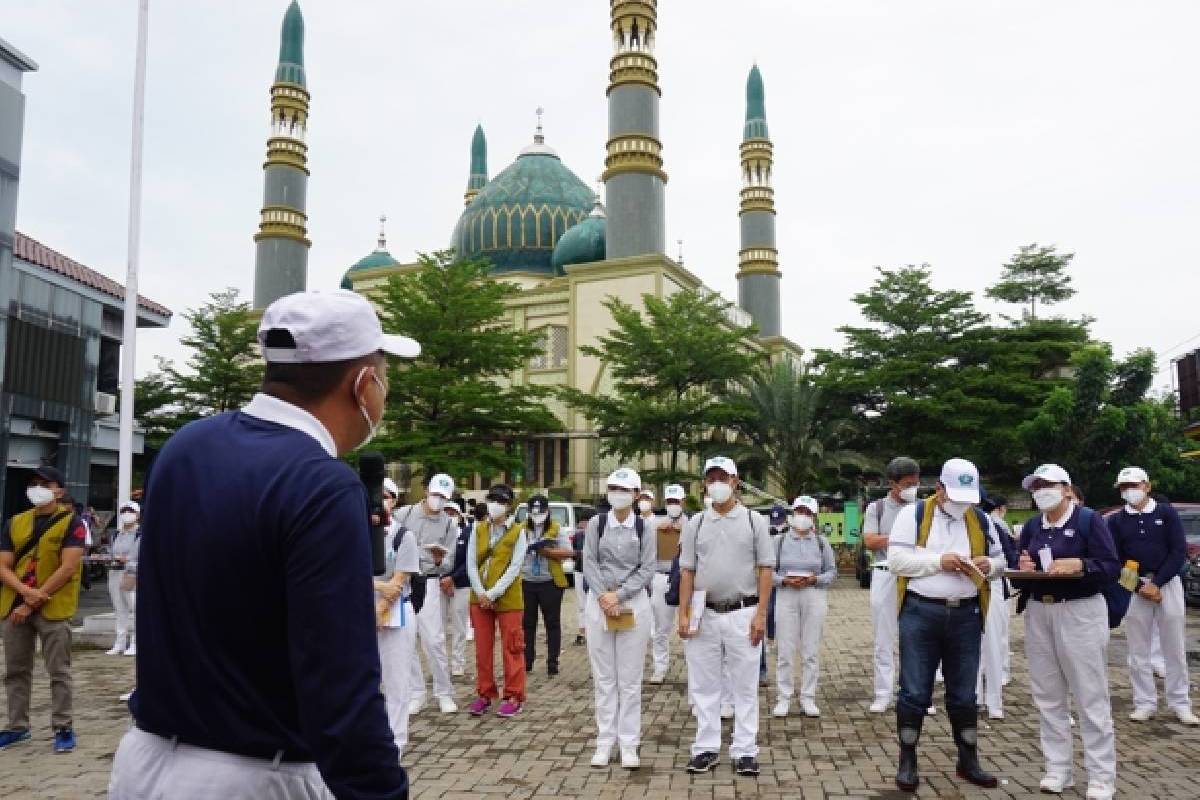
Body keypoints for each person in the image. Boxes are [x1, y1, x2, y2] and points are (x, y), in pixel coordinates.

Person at [107, 289, 414, 799]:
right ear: (363, 383)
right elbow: (339, 685)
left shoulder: (187, 445)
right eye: (384, 375)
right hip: (252, 775)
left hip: (146, 762)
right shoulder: (321, 483)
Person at [887, 458, 1005, 793]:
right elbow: (896, 561)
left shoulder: (980, 519)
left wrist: (988, 564)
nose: (961, 504)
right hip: (921, 613)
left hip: (966, 615)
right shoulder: (913, 515)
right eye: (955, 496)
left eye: (967, 498)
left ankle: (968, 759)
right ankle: (907, 759)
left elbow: (1001, 560)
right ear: (939, 489)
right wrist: (940, 561)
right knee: (914, 691)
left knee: (965, 693)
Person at [1011, 463, 1120, 800]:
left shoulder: (1088, 520)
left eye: (1048, 484)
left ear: (1067, 489)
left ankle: (1101, 775)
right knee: (1048, 695)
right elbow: (1020, 570)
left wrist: (1082, 564)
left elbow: (1111, 567)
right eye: (1036, 486)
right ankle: (1058, 769)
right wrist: (1022, 568)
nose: (1041, 490)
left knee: (1090, 695)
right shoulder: (1032, 526)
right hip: (1040, 611)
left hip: (1080, 611)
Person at [677, 456, 774, 777]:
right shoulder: (696, 523)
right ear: (705, 482)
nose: (717, 483)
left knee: (744, 686)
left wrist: (761, 613)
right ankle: (705, 747)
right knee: (704, 686)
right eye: (711, 477)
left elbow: (765, 570)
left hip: (742, 612)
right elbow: (687, 571)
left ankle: (745, 750)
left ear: (735, 481)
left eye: (723, 477)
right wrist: (683, 613)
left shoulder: (753, 521)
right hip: (704, 612)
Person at [0, 466, 87, 753]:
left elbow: (68, 566)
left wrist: (33, 599)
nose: (37, 488)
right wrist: (25, 593)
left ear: (59, 490)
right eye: (33, 484)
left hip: (53, 606)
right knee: (15, 670)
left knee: (59, 670)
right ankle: (16, 726)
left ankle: (63, 727)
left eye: (44, 483)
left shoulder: (73, 522)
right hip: (14, 605)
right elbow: (4, 565)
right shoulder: (15, 522)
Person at [1108, 466, 1198, 725]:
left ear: (1147, 486)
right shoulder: (1116, 520)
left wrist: (1157, 583)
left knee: (1174, 647)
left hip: (1167, 582)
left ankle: (1180, 702)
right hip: (1133, 584)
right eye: (1124, 488)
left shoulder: (1165, 513)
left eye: (1134, 486)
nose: (1129, 492)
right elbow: (1115, 558)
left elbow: (1178, 550)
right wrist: (1139, 586)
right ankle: (1144, 701)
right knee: (1138, 648)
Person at [582, 469, 656, 769]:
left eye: (625, 489)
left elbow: (647, 567)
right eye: (613, 487)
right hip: (599, 605)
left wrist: (620, 595)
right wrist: (604, 596)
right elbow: (589, 561)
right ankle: (604, 741)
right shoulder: (597, 524)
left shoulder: (644, 528)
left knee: (629, 680)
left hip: (633, 606)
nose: (618, 493)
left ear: (637, 494)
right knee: (604, 679)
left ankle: (629, 743)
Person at [398, 473, 460, 715]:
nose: (438, 500)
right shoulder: (405, 515)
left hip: (430, 582)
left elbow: (450, 561)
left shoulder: (449, 524)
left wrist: (438, 561)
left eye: (443, 497)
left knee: (434, 640)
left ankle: (444, 692)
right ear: (426, 491)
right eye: (435, 494)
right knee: (406, 639)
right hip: (404, 581)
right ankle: (417, 692)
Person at [863, 456, 921, 714]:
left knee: (917, 637)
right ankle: (883, 694)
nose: (912, 488)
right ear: (892, 484)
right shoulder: (876, 508)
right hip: (885, 573)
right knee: (884, 638)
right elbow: (871, 541)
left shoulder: (922, 507)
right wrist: (899, 539)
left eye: (915, 483)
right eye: (907, 484)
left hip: (915, 574)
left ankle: (916, 693)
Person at [465, 484, 527, 718]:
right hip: (479, 595)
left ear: (509, 505)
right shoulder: (478, 528)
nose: (495, 505)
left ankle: (513, 695)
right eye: (491, 500)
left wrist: (492, 594)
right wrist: (481, 592)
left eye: (500, 501)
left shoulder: (518, 531)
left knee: (512, 646)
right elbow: (471, 562)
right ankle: (484, 692)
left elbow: (514, 567)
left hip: (507, 597)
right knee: (482, 648)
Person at [771, 495, 835, 718]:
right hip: (786, 594)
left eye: (807, 513)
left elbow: (831, 571)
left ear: (814, 517)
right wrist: (783, 581)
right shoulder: (778, 542)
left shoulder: (821, 542)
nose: (802, 517)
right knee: (785, 650)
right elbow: (767, 571)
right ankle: (784, 697)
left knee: (810, 650)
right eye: (799, 511)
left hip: (813, 595)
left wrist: (815, 579)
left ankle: (808, 697)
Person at [375, 478, 419, 760]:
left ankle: (395, 741)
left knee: (397, 680)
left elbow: (399, 581)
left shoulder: (404, 536)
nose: (381, 501)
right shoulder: (356, 532)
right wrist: (378, 586)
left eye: (386, 496)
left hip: (396, 613)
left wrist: (379, 610)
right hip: (361, 611)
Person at [974, 493, 1017, 719]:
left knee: (992, 644)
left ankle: (994, 701)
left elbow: (1006, 558)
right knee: (970, 647)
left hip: (991, 585)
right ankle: (975, 697)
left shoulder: (988, 523)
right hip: (964, 587)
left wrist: (989, 564)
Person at [521, 495, 573, 676]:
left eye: (541, 512)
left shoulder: (556, 529)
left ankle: (552, 662)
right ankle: (527, 661)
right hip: (526, 582)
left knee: (552, 623)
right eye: (533, 512)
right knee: (527, 624)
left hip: (550, 582)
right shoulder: (520, 529)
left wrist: (546, 551)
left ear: (547, 511)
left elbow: (568, 552)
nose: (537, 516)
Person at [649, 484, 687, 684]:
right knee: (660, 628)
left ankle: (695, 669)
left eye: (676, 501)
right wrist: (656, 529)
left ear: (683, 502)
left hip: (686, 579)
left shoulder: (693, 523)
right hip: (661, 577)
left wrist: (685, 531)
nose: (673, 505)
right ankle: (660, 667)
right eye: (670, 501)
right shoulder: (654, 524)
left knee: (690, 626)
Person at [106, 501, 141, 657]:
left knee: (135, 609)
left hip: (132, 575)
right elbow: (112, 552)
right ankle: (119, 643)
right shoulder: (116, 534)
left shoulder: (141, 534)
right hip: (115, 573)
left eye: (130, 511)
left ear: (137, 515)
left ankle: (135, 643)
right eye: (124, 511)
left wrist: (127, 560)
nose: (127, 514)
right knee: (119, 610)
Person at [442, 498, 473, 677]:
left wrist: (453, 578)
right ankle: (441, 662)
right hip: (440, 584)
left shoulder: (467, 533)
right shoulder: (437, 532)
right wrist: (443, 578)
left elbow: (470, 561)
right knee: (438, 627)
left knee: (459, 625)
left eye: (452, 513)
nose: (449, 516)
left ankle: (457, 662)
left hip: (460, 584)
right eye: (446, 512)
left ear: (460, 515)